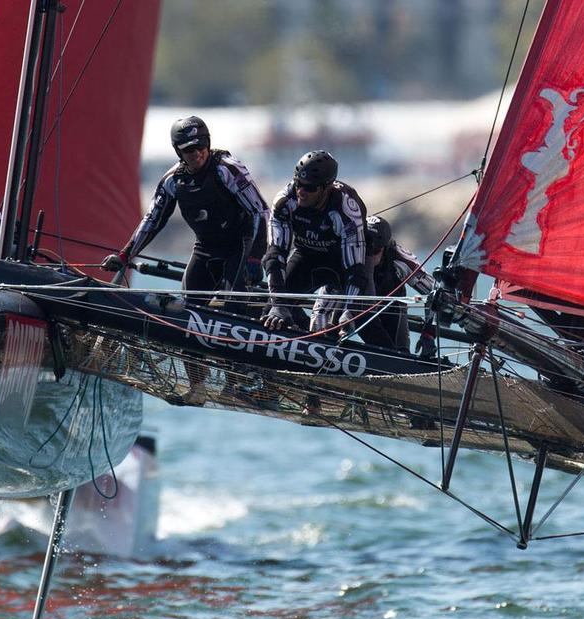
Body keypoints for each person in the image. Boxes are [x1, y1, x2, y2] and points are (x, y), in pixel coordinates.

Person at [102, 115, 269, 404]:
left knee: (227, 312)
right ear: (179, 152)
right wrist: (125, 254)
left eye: (201, 146)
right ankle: (198, 387)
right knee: (187, 315)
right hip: (205, 249)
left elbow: (261, 213)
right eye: (189, 150)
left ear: (208, 143)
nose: (197, 153)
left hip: (238, 248)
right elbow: (152, 220)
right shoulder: (173, 181)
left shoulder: (228, 170)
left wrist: (254, 261)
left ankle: (236, 385)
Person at [260, 150, 368, 336]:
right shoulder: (285, 201)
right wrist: (278, 305)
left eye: (309, 188)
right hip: (305, 257)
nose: (301, 191)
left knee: (340, 324)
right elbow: (275, 255)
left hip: (340, 265)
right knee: (270, 313)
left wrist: (349, 311)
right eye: (298, 184)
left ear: (327, 188)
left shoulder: (346, 210)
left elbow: (355, 268)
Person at [361, 215, 437, 355]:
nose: (368, 256)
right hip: (354, 309)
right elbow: (328, 291)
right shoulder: (349, 249)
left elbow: (436, 294)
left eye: (375, 251)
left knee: (400, 353)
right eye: (365, 249)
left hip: (391, 311)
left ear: (384, 248)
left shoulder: (400, 260)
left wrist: (429, 334)